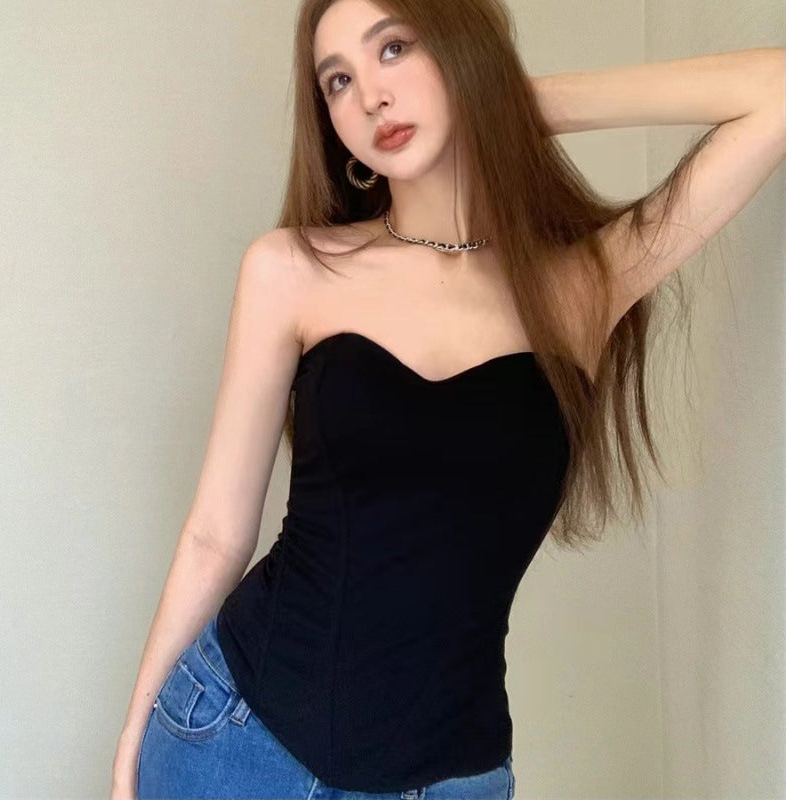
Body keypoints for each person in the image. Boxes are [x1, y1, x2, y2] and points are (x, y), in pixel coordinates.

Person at [111, 0, 785, 797]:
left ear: (462, 50)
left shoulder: (584, 287)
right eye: (337, 81)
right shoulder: (292, 270)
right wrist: (131, 745)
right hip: (234, 743)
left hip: (450, 779)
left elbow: (773, 92)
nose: (370, 96)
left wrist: (513, 103)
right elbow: (214, 537)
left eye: (394, 48)